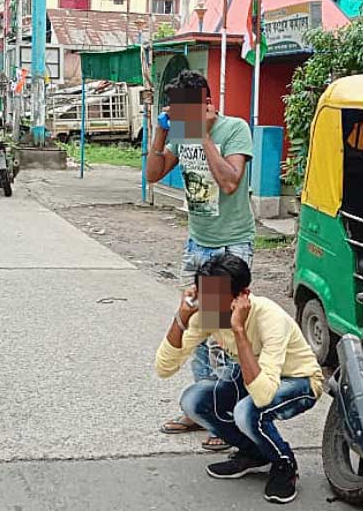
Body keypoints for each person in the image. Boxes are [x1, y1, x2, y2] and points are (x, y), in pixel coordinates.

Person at [145, 69, 256, 451]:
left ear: (207, 104)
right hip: (198, 244)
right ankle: (201, 409)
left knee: (222, 334)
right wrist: (162, 129)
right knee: (196, 327)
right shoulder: (180, 132)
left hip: (230, 246)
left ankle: (224, 416)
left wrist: (204, 135)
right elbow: (153, 174)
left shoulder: (234, 130)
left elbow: (229, 181)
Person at [154, 254, 324, 504]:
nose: (210, 306)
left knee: (247, 411)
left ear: (243, 294)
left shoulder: (269, 316)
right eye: (204, 296)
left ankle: (284, 463)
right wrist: (182, 316)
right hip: (253, 375)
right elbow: (164, 367)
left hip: (299, 381)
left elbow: (264, 395)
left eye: (218, 300)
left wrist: (239, 329)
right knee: (193, 401)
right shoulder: (212, 311)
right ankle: (254, 453)